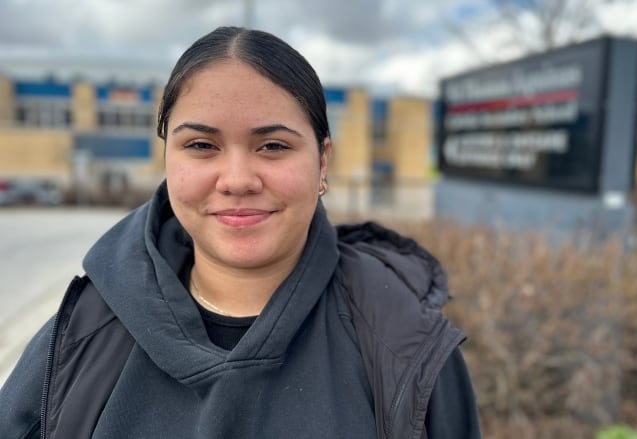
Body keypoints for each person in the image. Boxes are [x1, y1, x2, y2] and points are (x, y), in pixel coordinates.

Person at [0, 26, 480, 438]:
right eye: (202, 144)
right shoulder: (80, 336)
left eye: (272, 145)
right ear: (167, 158)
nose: (236, 180)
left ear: (322, 162)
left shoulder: (405, 342)